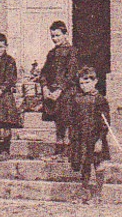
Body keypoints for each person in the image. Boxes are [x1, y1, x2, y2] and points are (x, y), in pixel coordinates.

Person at [66, 66, 109, 203]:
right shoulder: (76, 99)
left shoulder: (100, 99)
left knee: (98, 163)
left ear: (95, 81)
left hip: (95, 137)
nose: (84, 86)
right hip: (81, 137)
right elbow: (72, 119)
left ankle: (98, 194)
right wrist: (72, 136)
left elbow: (105, 122)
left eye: (87, 82)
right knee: (84, 163)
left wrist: (100, 140)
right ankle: (84, 191)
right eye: (81, 83)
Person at [40, 21, 80, 145]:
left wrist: (60, 90)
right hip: (52, 94)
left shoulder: (72, 52)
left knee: (67, 123)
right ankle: (58, 153)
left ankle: (67, 155)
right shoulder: (51, 53)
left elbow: (71, 74)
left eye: (57, 35)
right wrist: (45, 88)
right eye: (52, 36)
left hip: (66, 93)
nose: (55, 39)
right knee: (58, 125)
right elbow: (44, 73)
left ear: (66, 34)